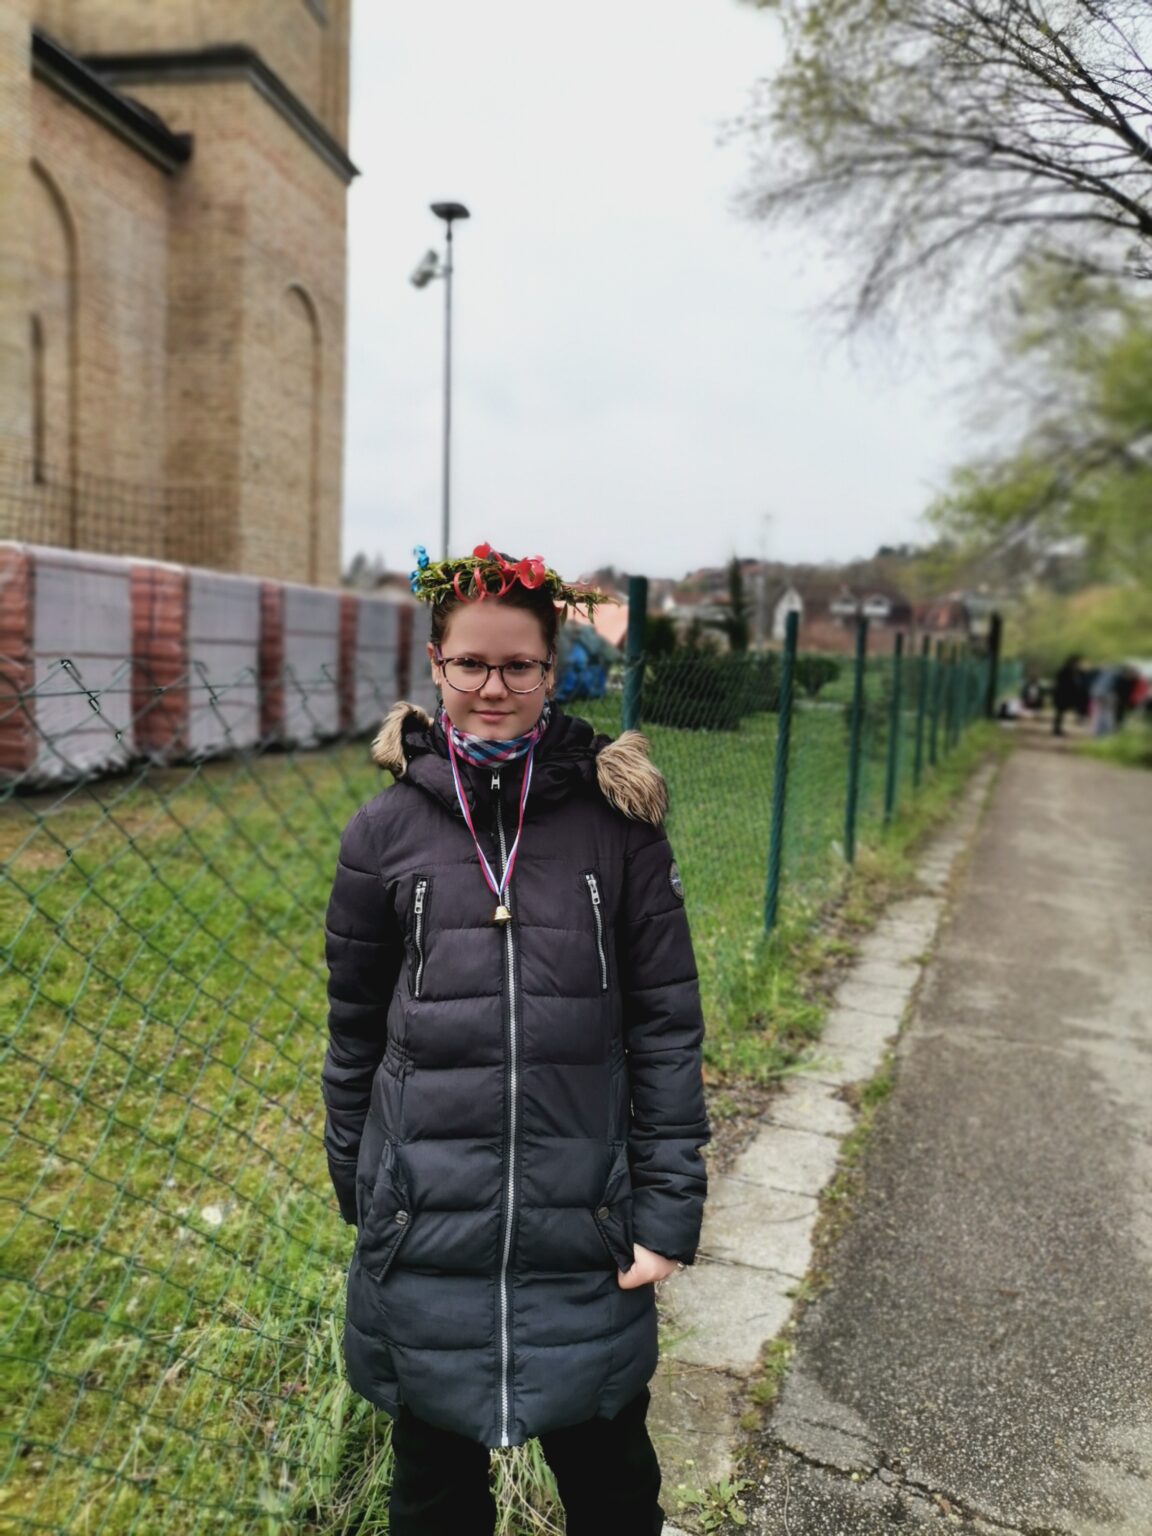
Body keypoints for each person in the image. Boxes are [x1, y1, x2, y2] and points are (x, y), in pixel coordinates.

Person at [321, 541, 710, 1536]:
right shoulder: (382, 837)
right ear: (435, 664)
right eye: (470, 664)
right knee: (434, 1499)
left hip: (586, 1229)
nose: (493, 688)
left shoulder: (618, 830)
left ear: (552, 668)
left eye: (519, 666)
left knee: (614, 1492)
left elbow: (667, 1028)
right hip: (426, 1234)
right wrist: (366, 1193)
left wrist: (667, 1213)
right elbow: (355, 1030)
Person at [1051, 654, 1085, 737]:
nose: (1078, 664)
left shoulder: (1076, 672)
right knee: (1059, 713)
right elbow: (1060, 683)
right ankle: (1056, 730)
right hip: (1061, 695)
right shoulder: (1064, 671)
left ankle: (1058, 729)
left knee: (1060, 713)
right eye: (1077, 663)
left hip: (1067, 695)